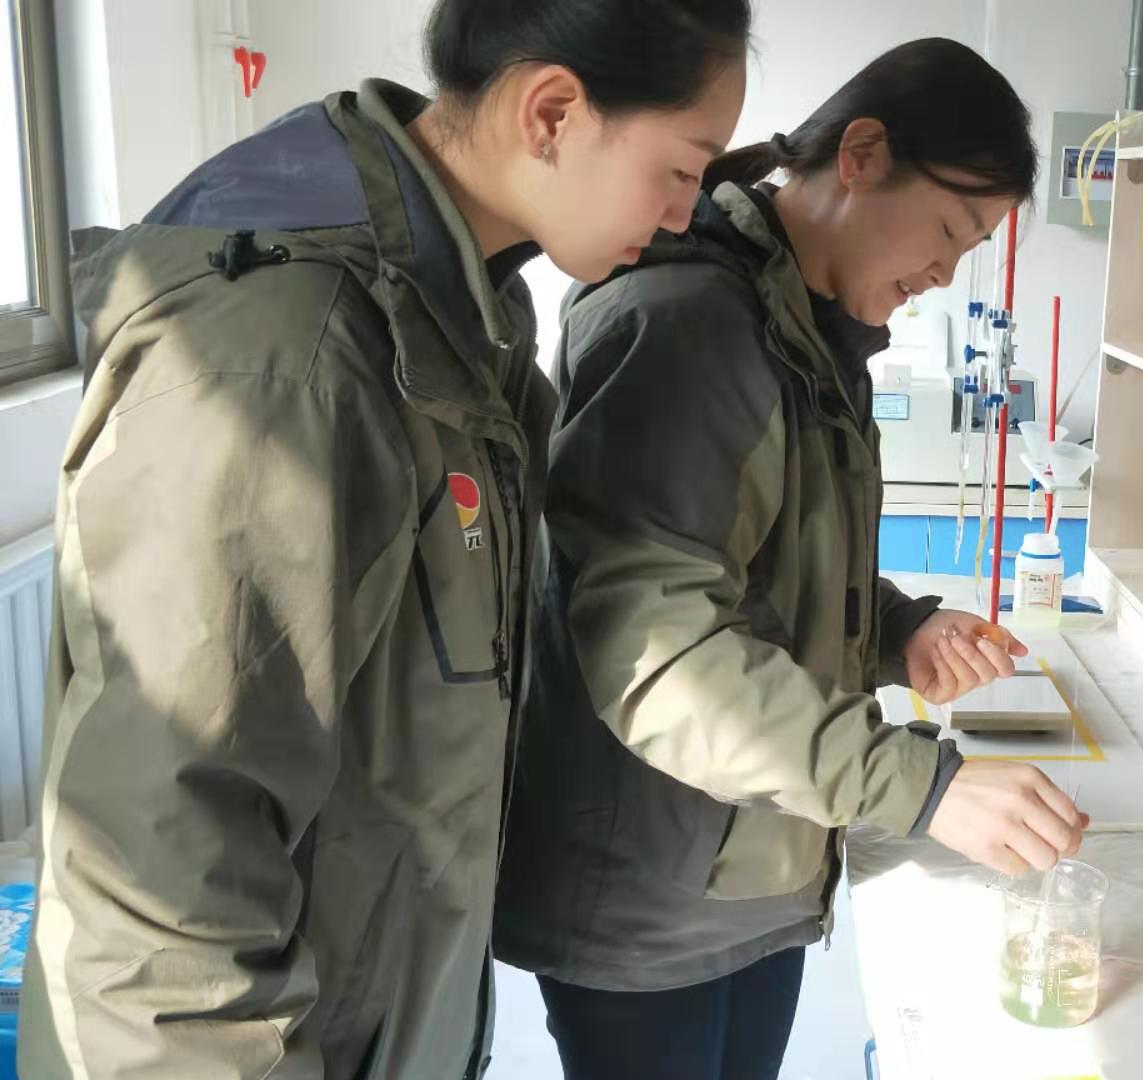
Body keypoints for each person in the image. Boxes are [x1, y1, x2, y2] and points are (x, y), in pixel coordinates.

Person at [19, 1, 748, 1076]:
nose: (686, 214)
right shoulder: (287, 359)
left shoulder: (456, 325)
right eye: (681, 168)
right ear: (552, 112)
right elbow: (162, 882)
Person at [492, 37, 1086, 1080]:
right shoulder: (685, 322)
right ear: (861, 154)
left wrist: (898, 630)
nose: (945, 273)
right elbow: (659, 649)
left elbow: (759, 563)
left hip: (755, 872)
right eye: (951, 230)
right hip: (649, 901)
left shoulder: (808, 331)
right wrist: (923, 787)